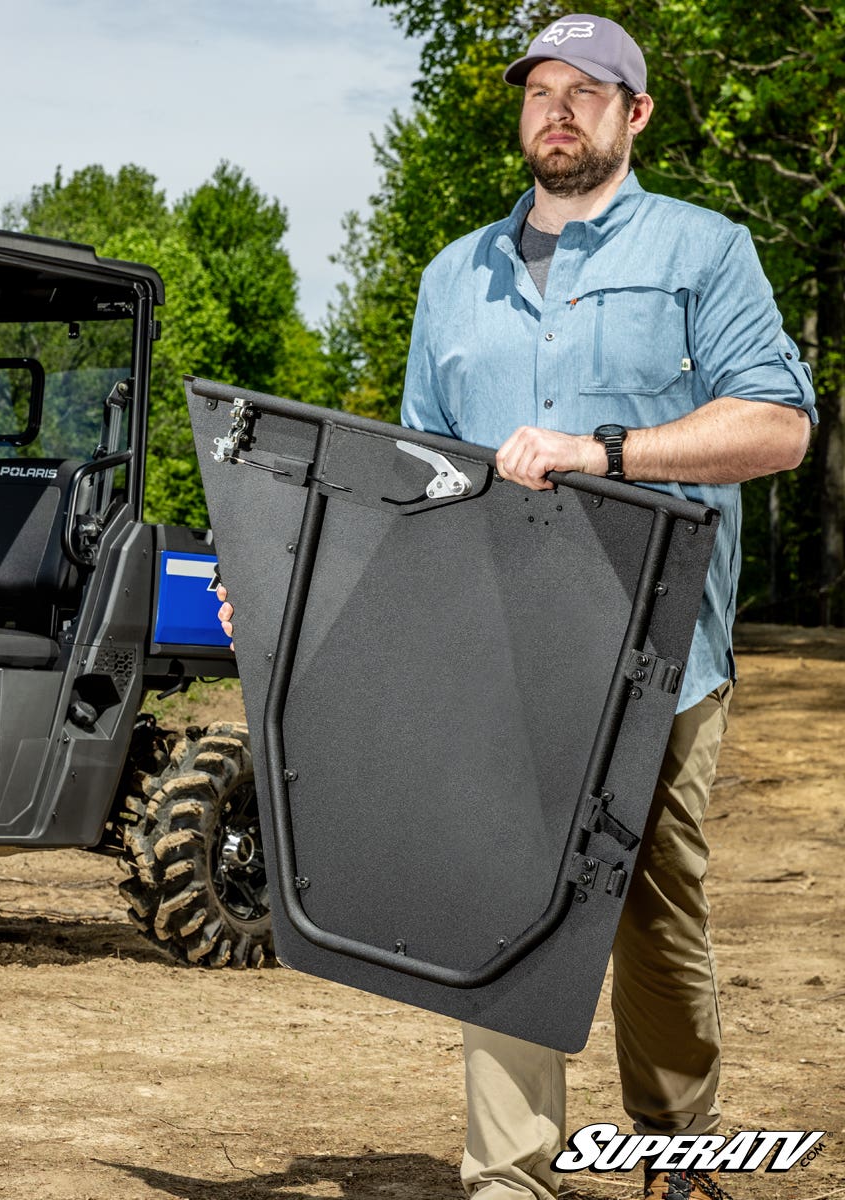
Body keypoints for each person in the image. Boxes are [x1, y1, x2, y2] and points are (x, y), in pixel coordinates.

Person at [219, 13, 815, 1200]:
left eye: (585, 91)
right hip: (496, 648)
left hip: (657, 652)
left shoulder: (703, 251)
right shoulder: (453, 277)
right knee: (500, 891)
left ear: (633, 114)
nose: (557, 108)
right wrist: (287, 591)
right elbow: (409, 483)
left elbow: (780, 427)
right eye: (541, 90)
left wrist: (609, 451)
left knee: (654, 906)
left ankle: (677, 1148)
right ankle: (511, 1177)